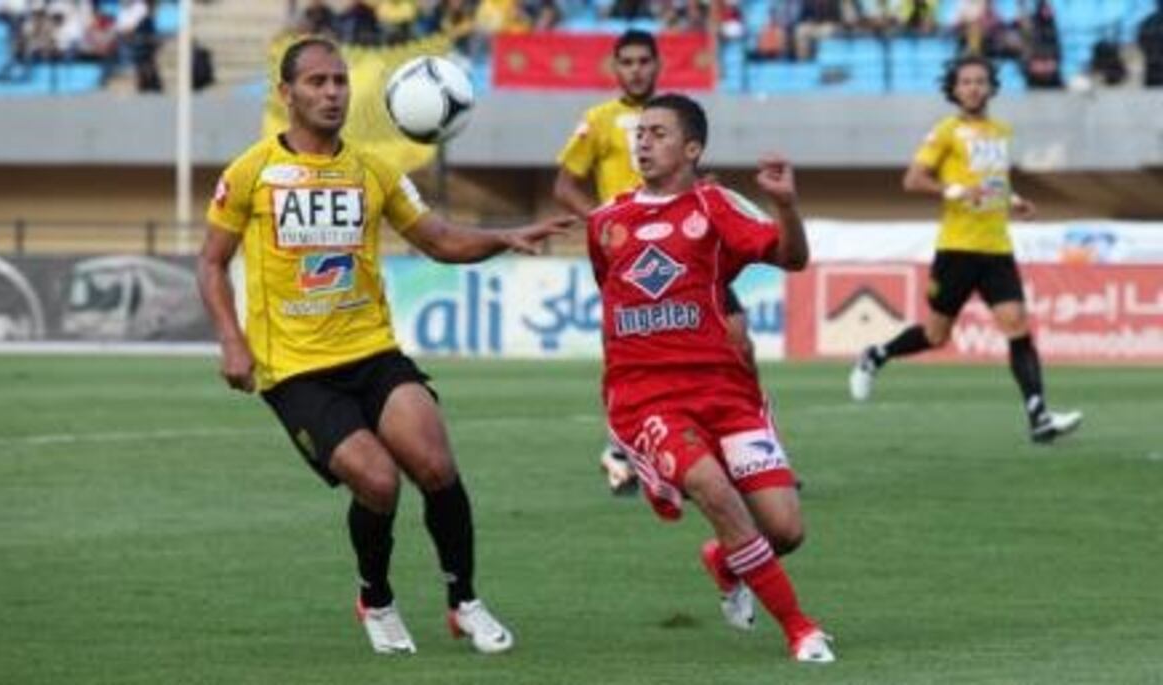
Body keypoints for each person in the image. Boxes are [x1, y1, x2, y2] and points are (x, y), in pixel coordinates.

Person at [197, 37, 571, 656]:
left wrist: (508, 235)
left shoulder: (373, 170)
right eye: (316, 82)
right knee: (377, 482)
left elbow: (440, 239)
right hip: (295, 371)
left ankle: (465, 602)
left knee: (435, 466)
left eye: (340, 82)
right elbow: (211, 264)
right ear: (287, 94)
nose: (332, 93)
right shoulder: (250, 171)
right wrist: (231, 343)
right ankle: (375, 597)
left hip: (372, 352)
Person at [586, 92, 834, 663]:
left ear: (692, 148)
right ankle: (801, 628)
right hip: (649, 399)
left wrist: (787, 207)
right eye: (640, 132)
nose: (642, 141)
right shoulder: (606, 223)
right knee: (717, 493)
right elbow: (614, 301)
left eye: (659, 133)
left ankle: (724, 562)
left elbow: (791, 259)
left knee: (786, 529)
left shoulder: (716, 206)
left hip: (728, 393)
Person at [554, 30, 756, 494]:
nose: (636, 69)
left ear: (658, 64)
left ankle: (744, 449)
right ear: (615, 68)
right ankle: (620, 448)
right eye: (626, 62)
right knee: (631, 354)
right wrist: (606, 229)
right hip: (633, 261)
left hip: (689, 253)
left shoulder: (676, 115)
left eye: (644, 60)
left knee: (739, 339)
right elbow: (564, 186)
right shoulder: (598, 121)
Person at [848, 55, 1081, 443]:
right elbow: (913, 179)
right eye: (965, 82)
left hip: (997, 247)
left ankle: (1039, 416)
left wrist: (1015, 201)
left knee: (1017, 326)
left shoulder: (1001, 131)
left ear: (990, 87)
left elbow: (994, 183)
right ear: (954, 90)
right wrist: (955, 190)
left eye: (979, 81)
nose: (973, 87)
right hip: (957, 247)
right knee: (936, 335)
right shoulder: (945, 131)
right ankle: (876, 355)